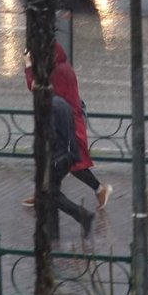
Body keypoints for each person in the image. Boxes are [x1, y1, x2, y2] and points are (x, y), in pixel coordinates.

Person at [23, 42, 113, 210]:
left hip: (68, 123)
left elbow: (35, 87)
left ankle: (100, 190)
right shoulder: (61, 65)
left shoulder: (56, 71)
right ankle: (42, 193)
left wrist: (28, 66)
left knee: (72, 163)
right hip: (63, 120)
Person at [47, 92, 94, 240]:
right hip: (69, 155)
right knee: (51, 192)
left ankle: (83, 215)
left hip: (57, 158)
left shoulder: (49, 107)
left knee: (50, 194)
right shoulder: (61, 102)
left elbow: (51, 135)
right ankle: (52, 232)